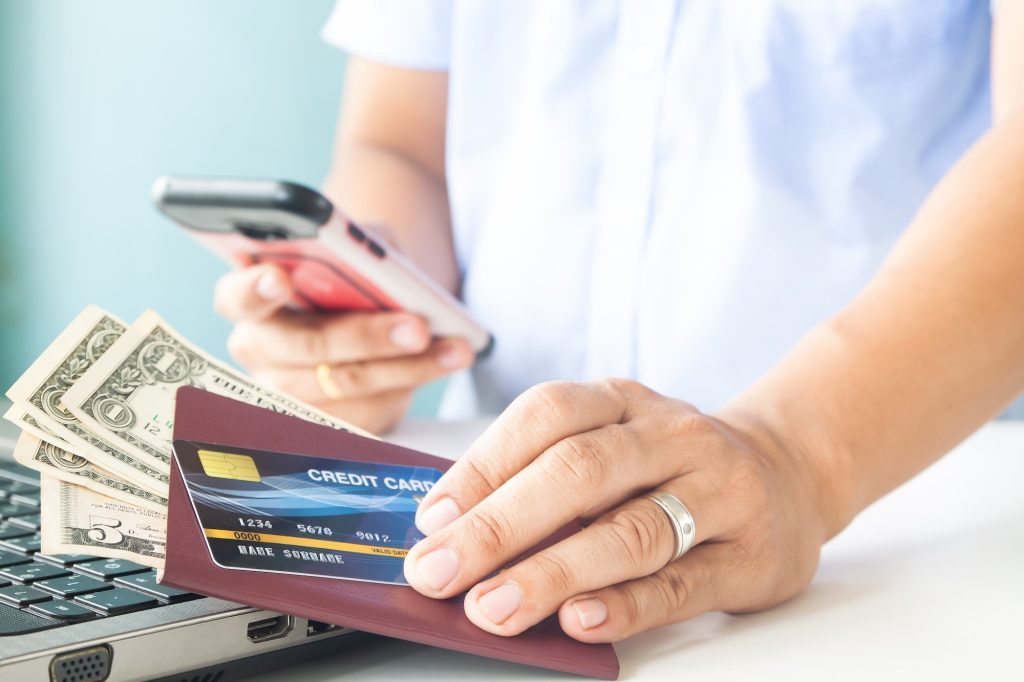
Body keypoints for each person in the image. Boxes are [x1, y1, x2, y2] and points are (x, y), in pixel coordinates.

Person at [213, 1, 1024, 644]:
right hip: (511, 506)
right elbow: (402, 142)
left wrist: (795, 459)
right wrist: (373, 318)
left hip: (906, 518)